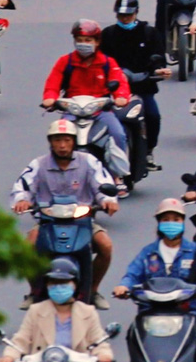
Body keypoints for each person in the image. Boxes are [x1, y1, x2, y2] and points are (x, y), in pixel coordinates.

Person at [10, 118, 121, 285]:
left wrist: (108, 200)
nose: (62, 145)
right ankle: (35, 290)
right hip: (47, 222)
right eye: (57, 140)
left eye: (67, 140)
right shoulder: (39, 164)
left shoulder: (88, 161)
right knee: (26, 250)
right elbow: (23, 186)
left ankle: (93, 289)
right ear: (50, 142)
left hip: (82, 222)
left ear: (74, 142)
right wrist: (22, 200)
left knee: (105, 246)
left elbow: (102, 183)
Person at [40, 21, 137, 171]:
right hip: (72, 111)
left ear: (97, 42)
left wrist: (121, 97)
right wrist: (49, 98)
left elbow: (119, 81)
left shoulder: (107, 63)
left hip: (101, 111)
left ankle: (118, 175)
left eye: (88, 40)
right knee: (59, 134)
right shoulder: (65, 62)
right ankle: (57, 170)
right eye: (79, 40)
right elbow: (53, 83)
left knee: (118, 134)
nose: (83, 44)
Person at [95, 0, 172, 161]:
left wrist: (159, 69)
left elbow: (158, 57)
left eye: (128, 15)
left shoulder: (149, 33)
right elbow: (100, 60)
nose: (125, 18)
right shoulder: (107, 35)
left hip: (142, 86)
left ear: (136, 12)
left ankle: (149, 150)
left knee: (153, 115)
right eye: (121, 15)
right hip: (114, 89)